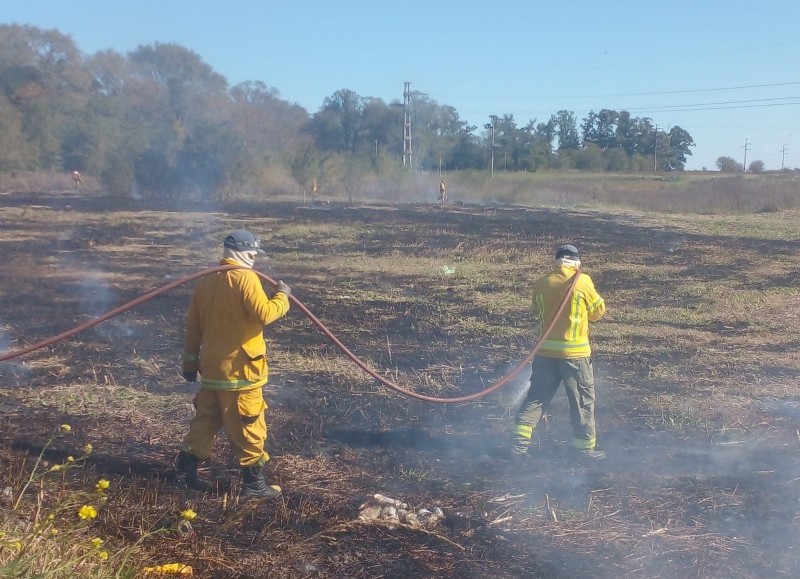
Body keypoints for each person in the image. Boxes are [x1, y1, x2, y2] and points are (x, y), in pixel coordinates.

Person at [176, 230, 292, 498]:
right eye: (252, 253)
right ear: (243, 251)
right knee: (249, 424)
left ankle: (184, 473)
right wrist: (282, 297)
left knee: (206, 419)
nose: (254, 259)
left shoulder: (206, 281)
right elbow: (264, 313)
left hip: (213, 371)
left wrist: (190, 364)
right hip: (241, 372)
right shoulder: (246, 278)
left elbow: (193, 327)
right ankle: (254, 485)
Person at [512, 244, 607, 459]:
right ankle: (584, 449)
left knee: (536, 398)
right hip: (575, 356)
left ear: (556, 261)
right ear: (576, 262)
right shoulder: (583, 281)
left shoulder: (542, 283)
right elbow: (598, 312)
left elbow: (537, 313)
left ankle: (518, 446)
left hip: (545, 353)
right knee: (582, 401)